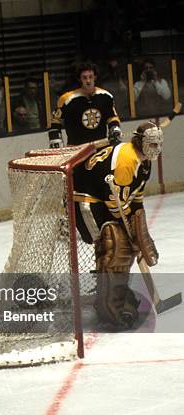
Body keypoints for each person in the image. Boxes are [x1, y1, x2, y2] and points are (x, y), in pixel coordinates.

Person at [73, 121, 162, 330]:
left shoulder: (144, 162)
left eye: (159, 144)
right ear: (140, 141)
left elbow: (135, 199)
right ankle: (109, 307)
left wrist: (138, 229)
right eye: (152, 144)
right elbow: (116, 205)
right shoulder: (127, 160)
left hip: (104, 199)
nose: (156, 149)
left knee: (122, 247)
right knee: (116, 245)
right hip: (86, 200)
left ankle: (115, 294)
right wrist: (130, 233)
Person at [49, 62, 121, 147]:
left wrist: (115, 129)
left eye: (90, 77)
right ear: (80, 79)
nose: (88, 81)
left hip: (102, 146)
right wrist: (55, 139)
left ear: (95, 77)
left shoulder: (106, 96)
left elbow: (112, 117)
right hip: (76, 149)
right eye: (84, 78)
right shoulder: (67, 99)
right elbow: (55, 121)